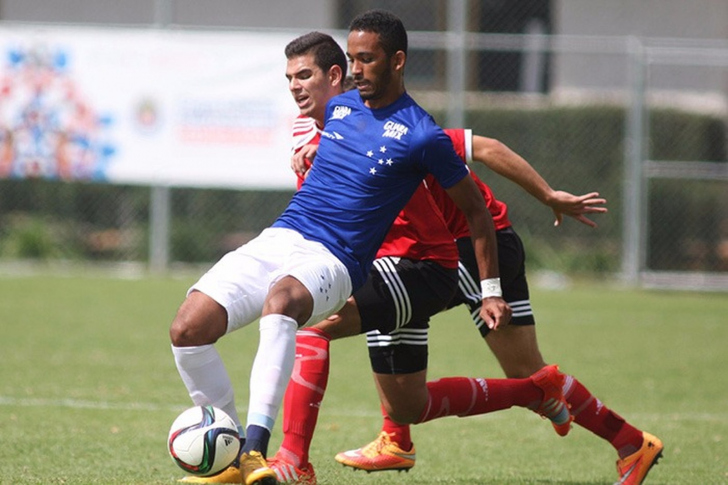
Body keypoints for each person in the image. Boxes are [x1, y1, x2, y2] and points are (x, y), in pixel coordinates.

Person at [271, 24, 661, 485]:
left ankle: (297, 460)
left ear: (338, 78)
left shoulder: (402, 129)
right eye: (290, 79)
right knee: (445, 388)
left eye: (307, 78)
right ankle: (624, 440)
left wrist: (550, 196)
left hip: (471, 247)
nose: (297, 89)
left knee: (329, 326)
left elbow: (487, 148)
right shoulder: (319, 133)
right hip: (414, 258)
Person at [170, 9, 513, 485]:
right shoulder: (341, 108)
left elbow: (477, 213)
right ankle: (228, 456)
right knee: (187, 328)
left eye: (366, 59)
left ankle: (254, 451)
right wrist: (317, 146)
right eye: (351, 59)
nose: (356, 69)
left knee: (282, 304)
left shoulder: (422, 134)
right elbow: (336, 133)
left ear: (397, 61)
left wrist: (491, 289)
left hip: (337, 259)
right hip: (283, 235)